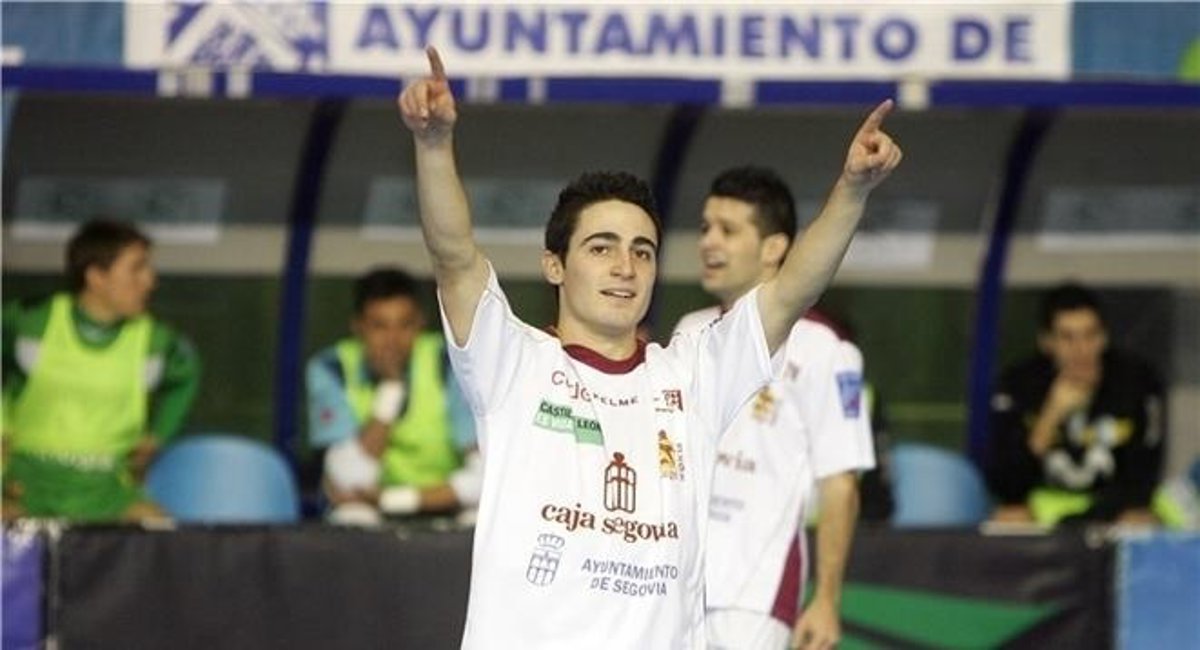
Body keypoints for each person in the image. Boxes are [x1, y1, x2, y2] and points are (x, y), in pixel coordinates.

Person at [398, 47, 900, 648]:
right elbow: (455, 257)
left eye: (643, 251)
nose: (625, 267)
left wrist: (852, 190)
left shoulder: (692, 372)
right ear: (555, 265)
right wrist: (433, 145)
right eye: (601, 247)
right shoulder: (511, 362)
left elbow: (791, 290)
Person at [673, 167, 875, 650]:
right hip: (676, 582)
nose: (709, 242)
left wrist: (826, 599)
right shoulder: (689, 330)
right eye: (705, 228)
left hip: (755, 595)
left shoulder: (826, 348)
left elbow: (841, 485)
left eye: (728, 230)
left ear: (774, 248)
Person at [1, 218, 200, 522]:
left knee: (161, 534)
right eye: (137, 268)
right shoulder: (30, 321)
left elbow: (185, 379)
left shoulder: (156, 340)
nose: (150, 280)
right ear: (96, 277)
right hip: (25, 486)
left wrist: (158, 435)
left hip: (107, 490)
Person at [305, 266, 480, 525]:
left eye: (404, 325)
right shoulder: (333, 368)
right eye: (379, 326)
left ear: (420, 324)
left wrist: (393, 500)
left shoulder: (450, 362)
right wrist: (391, 389)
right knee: (352, 516)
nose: (393, 340)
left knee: (479, 520)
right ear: (358, 327)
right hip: (368, 509)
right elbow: (346, 481)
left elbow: (484, 477)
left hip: (442, 506)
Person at [985, 282, 1166, 526]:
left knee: (1139, 520)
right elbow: (1007, 485)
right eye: (1067, 338)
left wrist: (1082, 522)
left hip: (1112, 510)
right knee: (1010, 519)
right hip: (1046, 507)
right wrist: (1051, 415)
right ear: (1046, 342)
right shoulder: (1018, 385)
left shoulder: (1137, 382)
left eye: (1091, 335)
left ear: (1104, 337)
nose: (1081, 350)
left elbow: (1142, 479)